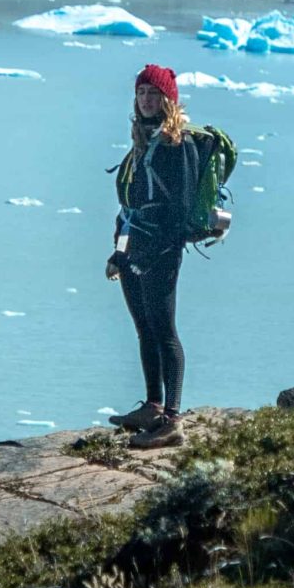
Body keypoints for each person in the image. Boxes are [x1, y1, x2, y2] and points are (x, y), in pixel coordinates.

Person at [106, 63, 201, 450]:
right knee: (145, 328)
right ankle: (153, 407)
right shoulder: (142, 140)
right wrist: (120, 253)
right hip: (133, 250)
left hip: (160, 252)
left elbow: (178, 211)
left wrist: (157, 250)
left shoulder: (178, 145)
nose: (146, 99)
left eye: (153, 93)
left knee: (164, 331)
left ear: (168, 100)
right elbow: (130, 205)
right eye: (141, 92)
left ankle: (172, 421)